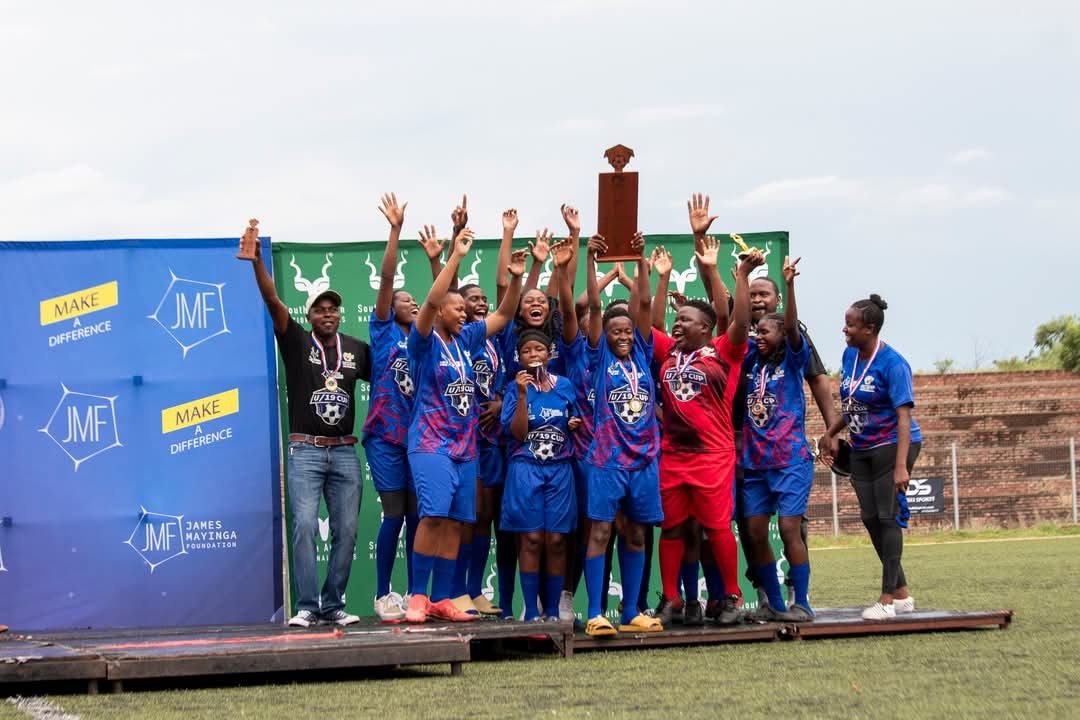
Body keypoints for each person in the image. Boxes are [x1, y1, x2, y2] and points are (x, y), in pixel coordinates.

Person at [243, 220, 370, 628]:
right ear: (309, 314)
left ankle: (333, 604)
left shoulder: (354, 349)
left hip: (346, 452)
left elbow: (393, 369)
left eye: (333, 308)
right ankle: (307, 607)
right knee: (302, 527)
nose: (327, 313)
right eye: (320, 308)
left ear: (339, 313)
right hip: (305, 450)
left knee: (348, 531)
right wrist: (258, 264)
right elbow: (274, 302)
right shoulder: (296, 340)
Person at [404, 224, 528, 623]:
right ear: (441, 310)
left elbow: (506, 313)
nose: (465, 313)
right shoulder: (423, 341)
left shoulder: (467, 339)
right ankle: (417, 597)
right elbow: (427, 304)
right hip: (430, 443)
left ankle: (443, 598)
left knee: (458, 522)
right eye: (458, 308)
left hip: (465, 446)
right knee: (434, 517)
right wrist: (454, 255)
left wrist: (517, 278)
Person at [648, 231, 765, 627]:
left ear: (705, 327)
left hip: (713, 456)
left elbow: (738, 318)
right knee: (673, 527)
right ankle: (670, 599)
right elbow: (648, 323)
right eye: (676, 319)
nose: (676, 324)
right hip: (674, 456)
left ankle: (731, 596)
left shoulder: (724, 352)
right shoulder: (668, 354)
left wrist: (740, 278)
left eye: (684, 320)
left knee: (716, 528)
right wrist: (661, 278)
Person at [574, 232, 663, 637]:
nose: (624, 335)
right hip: (607, 459)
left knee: (636, 532)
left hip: (644, 459)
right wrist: (589, 261)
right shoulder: (598, 354)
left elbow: (644, 303)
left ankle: (631, 610)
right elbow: (593, 305)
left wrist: (641, 261)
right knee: (601, 530)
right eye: (616, 331)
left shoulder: (644, 351)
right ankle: (595, 611)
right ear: (605, 334)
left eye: (628, 330)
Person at [819, 294, 922, 620]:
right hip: (862, 445)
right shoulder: (850, 355)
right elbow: (852, 405)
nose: (844, 330)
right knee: (869, 518)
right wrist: (831, 431)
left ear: (870, 328)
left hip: (893, 445)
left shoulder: (893, 364)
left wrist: (901, 467)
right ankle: (903, 594)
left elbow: (904, 418)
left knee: (887, 517)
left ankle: (887, 600)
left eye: (851, 325)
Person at [740, 254, 815, 622]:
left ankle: (802, 601)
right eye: (757, 333)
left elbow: (795, 332)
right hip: (754, 463)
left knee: (788, 529)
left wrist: (789, 284)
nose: (759, 337)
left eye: (765, 332)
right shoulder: (751, 360)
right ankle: (774, 604)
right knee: (754, 533)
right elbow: (736, 323)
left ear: (782, 333)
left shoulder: (794, 359)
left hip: (790, 460)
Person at [364, 193, 421, 621]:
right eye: (405, 300)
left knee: (421, 517)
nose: (411, 302)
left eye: (414, 301)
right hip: (385, 436)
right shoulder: (384, 333)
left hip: (421, 439)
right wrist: (396, 230)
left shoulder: (426, 341)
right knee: (396, 513)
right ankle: (383, 594)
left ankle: (418, 595)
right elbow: (386, 280)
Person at [500, 329, 580, 621]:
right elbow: (518, 433)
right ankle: (531, 610)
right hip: (525, 469)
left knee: (557, 540)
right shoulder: (514, 388)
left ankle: (553, 610)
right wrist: (522, 395)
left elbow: (576, 419)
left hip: (560, 470)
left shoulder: (566, 386)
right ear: (519, 358)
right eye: (526, 352)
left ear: (549, 353)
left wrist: (573, 423)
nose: (533, 356)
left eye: (539, 350)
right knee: (531, 539)